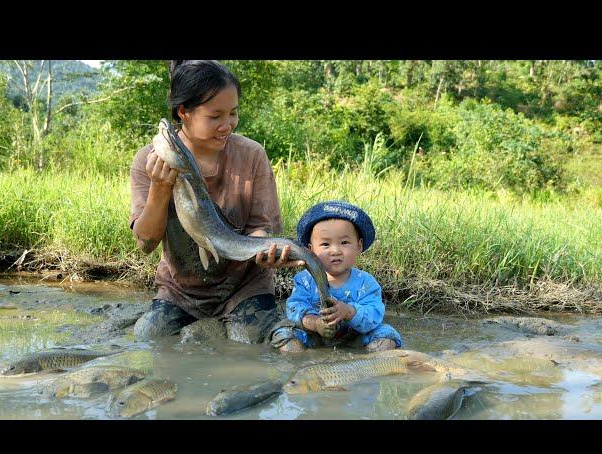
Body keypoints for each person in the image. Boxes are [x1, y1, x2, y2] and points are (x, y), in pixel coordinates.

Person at [130, 60, 301, 343]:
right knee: (150, 338)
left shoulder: (252, 155)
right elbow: (145, 243)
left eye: (233, 113)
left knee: (247, 342)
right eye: (215, 116)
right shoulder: (148, 160)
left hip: (245, 288)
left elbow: (261, 228)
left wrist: (263, 250)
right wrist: (160, 188)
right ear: (184, 112)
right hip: (179, 292)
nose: (227, 125)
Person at [270, 200, 402, 353]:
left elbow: (374, 315)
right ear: (310, 250)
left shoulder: (366, 283)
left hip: (355, 338)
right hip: (314, 336)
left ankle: (364, 364)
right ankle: (300, 363)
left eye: (344, 242)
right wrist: (316, 323)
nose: (335, 251)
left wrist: (349, 312)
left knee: (388, 336)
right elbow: (295, 309)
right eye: (325, 244)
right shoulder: (305, 280)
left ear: (359, 246)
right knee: (284, 333)